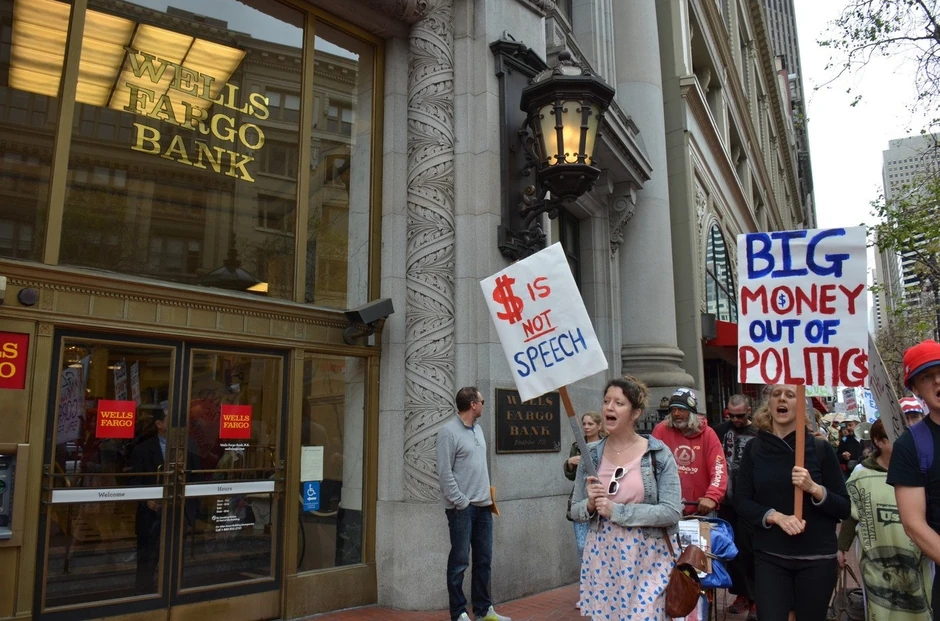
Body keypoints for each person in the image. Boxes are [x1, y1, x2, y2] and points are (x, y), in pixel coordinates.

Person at [735, 384, 850, 621]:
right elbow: (741, 501)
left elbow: (844, 507)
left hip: (816, 559)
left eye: (790, 395)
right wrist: (775, 516)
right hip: (770, 557)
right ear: (769, 405)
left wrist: (814, 488)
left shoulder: (820, 449)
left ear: (801, 406)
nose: (782, 399)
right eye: (776, 394)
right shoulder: (755, 449)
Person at [569, 376, 682, 620]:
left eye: (618, 403)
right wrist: (590, 504)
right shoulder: (590, 455)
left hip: (647, 555)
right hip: (603, 556)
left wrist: (617, 511)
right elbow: (574, 510)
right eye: (606, 401)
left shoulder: (658, 453)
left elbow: (672, 511)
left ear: (635, 413)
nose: (609, 407)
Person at [839, 419, 931, 620]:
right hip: (877, 564)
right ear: (879, 442)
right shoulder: (861, 475)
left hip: (917, 562)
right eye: (894, 437)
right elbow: (850, 515)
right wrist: (841, 548)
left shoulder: (922, 471)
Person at [436, 387, 510, 621]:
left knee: (483, 561)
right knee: (459, 563)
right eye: (482, 401)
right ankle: (459, 613)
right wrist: (461, 502)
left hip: (484, 507)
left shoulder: (478, 429)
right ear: (473, 404)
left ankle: (483, 610)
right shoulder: (447, 432)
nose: (484, 405)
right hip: (462, 510)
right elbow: (444, 473)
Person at [887, 339, 940, 616]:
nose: (938, 381)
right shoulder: (910, 446)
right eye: (927, 376)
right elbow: (913, 523)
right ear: (916, 389)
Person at [713, 394, 759, 620]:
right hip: (727, 501)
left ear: (749, 411)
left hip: (753, 501)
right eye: (731, 415)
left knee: (752, 550)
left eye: (740, 415)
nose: (736, 420)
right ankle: (743, 594)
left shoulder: (760, 431)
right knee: (733, 551)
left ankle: (757, 597)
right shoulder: (721, 431)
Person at [652, 388, 727, 515]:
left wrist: (712, 496)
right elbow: (650, 466)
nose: (676, 413)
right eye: (673, 409)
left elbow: (719, 469)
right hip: (666, 507)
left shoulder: (708, 434)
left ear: (691, 411)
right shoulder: (661, 430)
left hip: (701, 508)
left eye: (681, 409)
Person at [130, 408, 167, 595]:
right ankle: (144, 594)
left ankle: (168, 591)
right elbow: (134, 481)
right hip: (150, 515)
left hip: (175, 513)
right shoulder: (142, 450)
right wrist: (146, 500)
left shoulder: (188, 447)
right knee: (147, 558)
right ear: (159, 424)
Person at [564, 411, 605, 559]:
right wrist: (570, 463)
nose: (586, 427)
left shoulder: (606, 445)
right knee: (582, 546)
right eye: (584, 424)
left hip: (602, 497)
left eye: (590, 424)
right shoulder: (577, 446)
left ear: (599, 426)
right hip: (582, 498)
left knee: (600, 547)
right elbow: (571, 477)